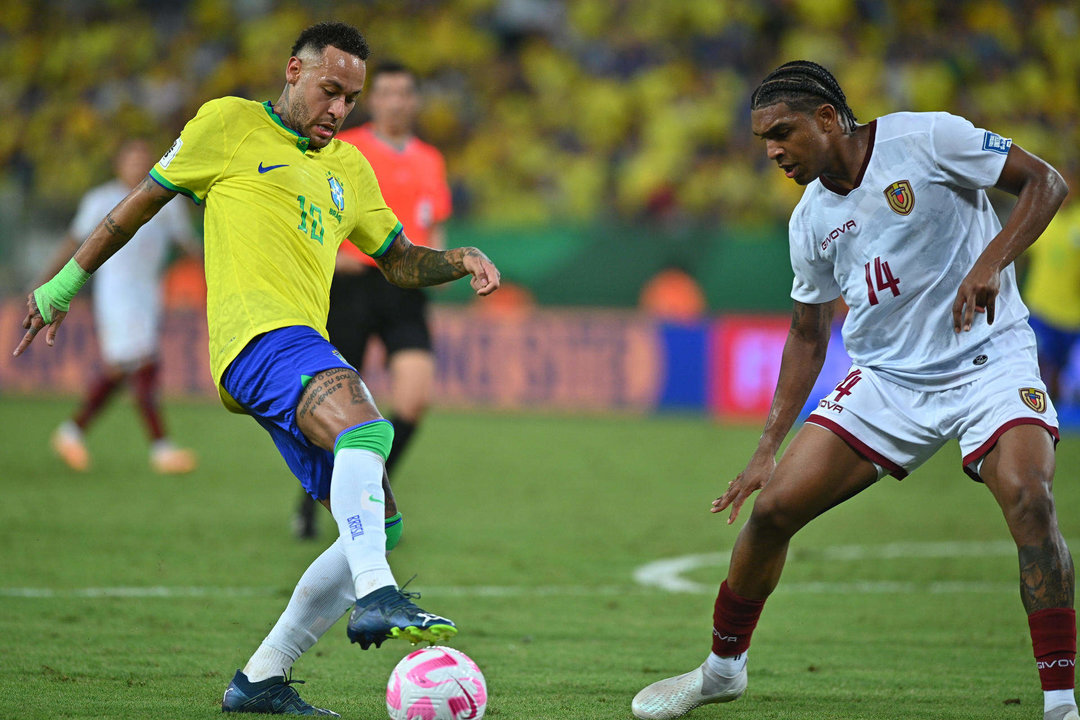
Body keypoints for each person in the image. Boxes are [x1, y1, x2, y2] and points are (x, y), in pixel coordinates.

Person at [14, 22, 500, 717]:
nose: (338, 110)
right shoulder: (229, 124)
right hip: (256, 340)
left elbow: (395, 258)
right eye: (330, 91)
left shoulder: (349, 169)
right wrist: (62, 284)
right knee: (368, 428)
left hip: (295, 347)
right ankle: (377, 590)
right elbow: (140, 206)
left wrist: (458, 259)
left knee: (378, 521)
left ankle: (262, 678)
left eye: (350, 100)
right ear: (294, 71)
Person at [632, 61, 1076, 720]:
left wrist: (989, 265)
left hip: (989, 359)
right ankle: (723, 670)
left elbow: (1047, 181)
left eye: (781, 133)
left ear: (828, 118)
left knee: (1028, 498)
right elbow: (808, 334)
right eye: (763, 142)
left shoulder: (928, 140)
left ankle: (1061, 705)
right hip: (889, 379)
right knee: (773, 511)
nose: (773, 151)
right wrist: (767, 445)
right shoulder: (810, 220)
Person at [293, 61, 451, 540]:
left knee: (414, 400)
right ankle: (311, 500)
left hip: (405, 287)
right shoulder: (346, 147)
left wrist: (441, 266)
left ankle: (372, 496)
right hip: (353, 284)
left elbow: (434, 222)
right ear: (374, 100)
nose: (397, 101)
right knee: (335, 409)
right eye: (387, 93)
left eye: (405, 93)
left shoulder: (430, 159)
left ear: (414, 101)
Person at [40, 138, 200, 475]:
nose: (138, 165)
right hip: (115, 294)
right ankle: (161, 449)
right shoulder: (101, 198)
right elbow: (75, 241)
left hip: (148, 294)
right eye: (132, 159)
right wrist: (50, 280)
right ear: (119, 164)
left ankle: (71, 433)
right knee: (143, 361)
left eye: (144, 159)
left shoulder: (166, 199)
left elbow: (188, 245)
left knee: (122, 365)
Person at [1023, 198, 1080, 402]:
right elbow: (1023, 256)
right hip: (1040, 310)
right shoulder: (1042, 216)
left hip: (1073, 316)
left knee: (1069, 380)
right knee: (1038, 371)